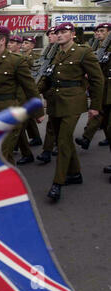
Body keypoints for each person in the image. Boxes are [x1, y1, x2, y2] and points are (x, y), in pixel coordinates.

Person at [38, 22, 104, 201]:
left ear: (73, 34)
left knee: (63, 141)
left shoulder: (83, 52)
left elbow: (98, 80)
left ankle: (57, 183)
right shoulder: (54, 54)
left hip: (74, 102)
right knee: (63, 140)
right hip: (56, 102)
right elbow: (48, 78)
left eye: (64, 32)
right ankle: (75, 174)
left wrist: (95, 106)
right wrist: (34, 90)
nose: (59, 35)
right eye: (57, 32)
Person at [0, 27, 42, 165]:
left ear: (2, 41)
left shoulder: (16, 61)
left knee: (1, 156)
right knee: (1, 156)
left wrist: (39, 112)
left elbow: (30, 87)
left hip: (9, 113)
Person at [75, 23, 111, 151]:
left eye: (102, 31)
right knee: (100, 113)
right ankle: (87, 138)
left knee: (104, 115)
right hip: (102, 86)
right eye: (97, 32)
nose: (98, 34)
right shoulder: (96, 47)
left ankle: (87, 137)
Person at [36, 26, 59, 164]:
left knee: (54, 123)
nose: (50, 36)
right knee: (53, 122)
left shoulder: (63, 52)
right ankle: (49, 149)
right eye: (49, 34)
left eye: (52, 34)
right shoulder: (47, 51)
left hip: (63, 93)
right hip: (49, 90)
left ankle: (49, 149)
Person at [21, 36, 43, 147]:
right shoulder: (20, 56)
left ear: (32, 45)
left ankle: (17, 142)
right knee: (28, 115)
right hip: (24, 88)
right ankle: (36, 137)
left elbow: (37, 72)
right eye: (23, 43)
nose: (23, 45)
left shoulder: (36, 57)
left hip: (31, 86)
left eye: (26, 43)